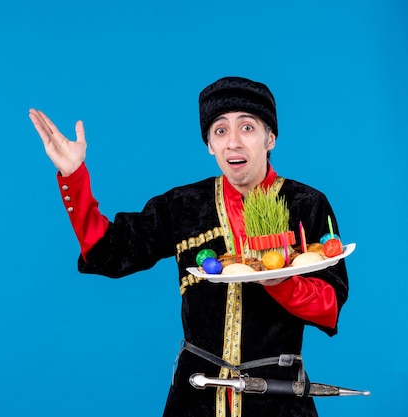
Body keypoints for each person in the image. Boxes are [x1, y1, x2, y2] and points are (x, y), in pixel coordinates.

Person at [29, 76, 349, 417]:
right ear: (209, 144)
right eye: (220, 131)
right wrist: (74, 175)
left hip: (278, 398)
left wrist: (280, 283)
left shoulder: (306, 204)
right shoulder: (182, 205)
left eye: (248, 127)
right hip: (195, 397)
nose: (233, 143)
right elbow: (110, 252)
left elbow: (329, 305)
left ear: (270, 137)